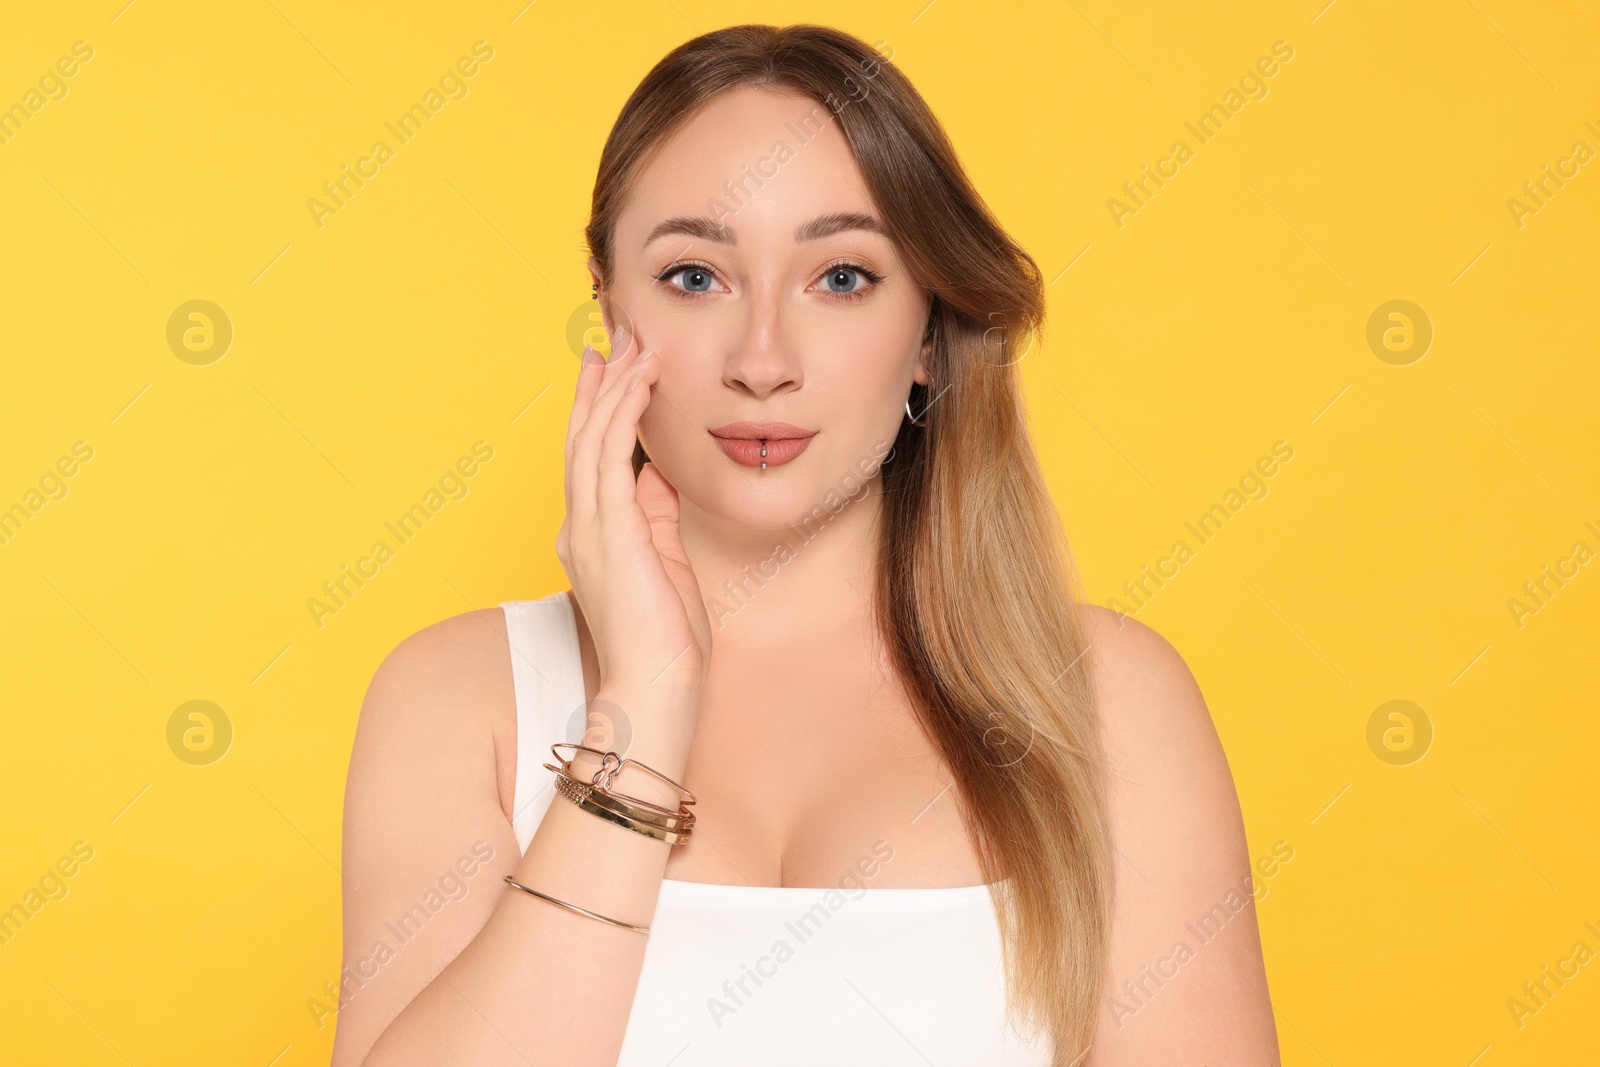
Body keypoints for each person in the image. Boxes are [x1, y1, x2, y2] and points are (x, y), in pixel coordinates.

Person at [334, 22, 1278, 1067]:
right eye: (696, 276)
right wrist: (643, 707)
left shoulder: (1108, 700)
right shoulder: (457, 698)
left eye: (841, 277)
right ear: (608, 303)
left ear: (927, 331)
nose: (763, 359)